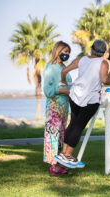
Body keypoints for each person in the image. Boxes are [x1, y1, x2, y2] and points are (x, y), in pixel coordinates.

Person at [54, 39, 110, 168]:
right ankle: (68, 155)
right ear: (104, 52)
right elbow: (105, 79)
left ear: (91, 49)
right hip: (90, 99)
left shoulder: (82, 59)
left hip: (75, 95)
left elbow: (64, 71)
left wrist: (63, 81)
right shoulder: (103, 63)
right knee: (79, 127)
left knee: (73, 124)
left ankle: (63, 153)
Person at [43, 41, 72, 175]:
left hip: (65, 108)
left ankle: (59, 164)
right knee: (52, 137)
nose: (66, 54)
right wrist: (63, 91)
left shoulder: (64, 67)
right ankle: (53, 167)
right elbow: (47, 90)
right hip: (54, 107)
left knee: (61, 137)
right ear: (58, 51)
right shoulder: (51, 67)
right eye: (64, 51)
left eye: (68, 52)